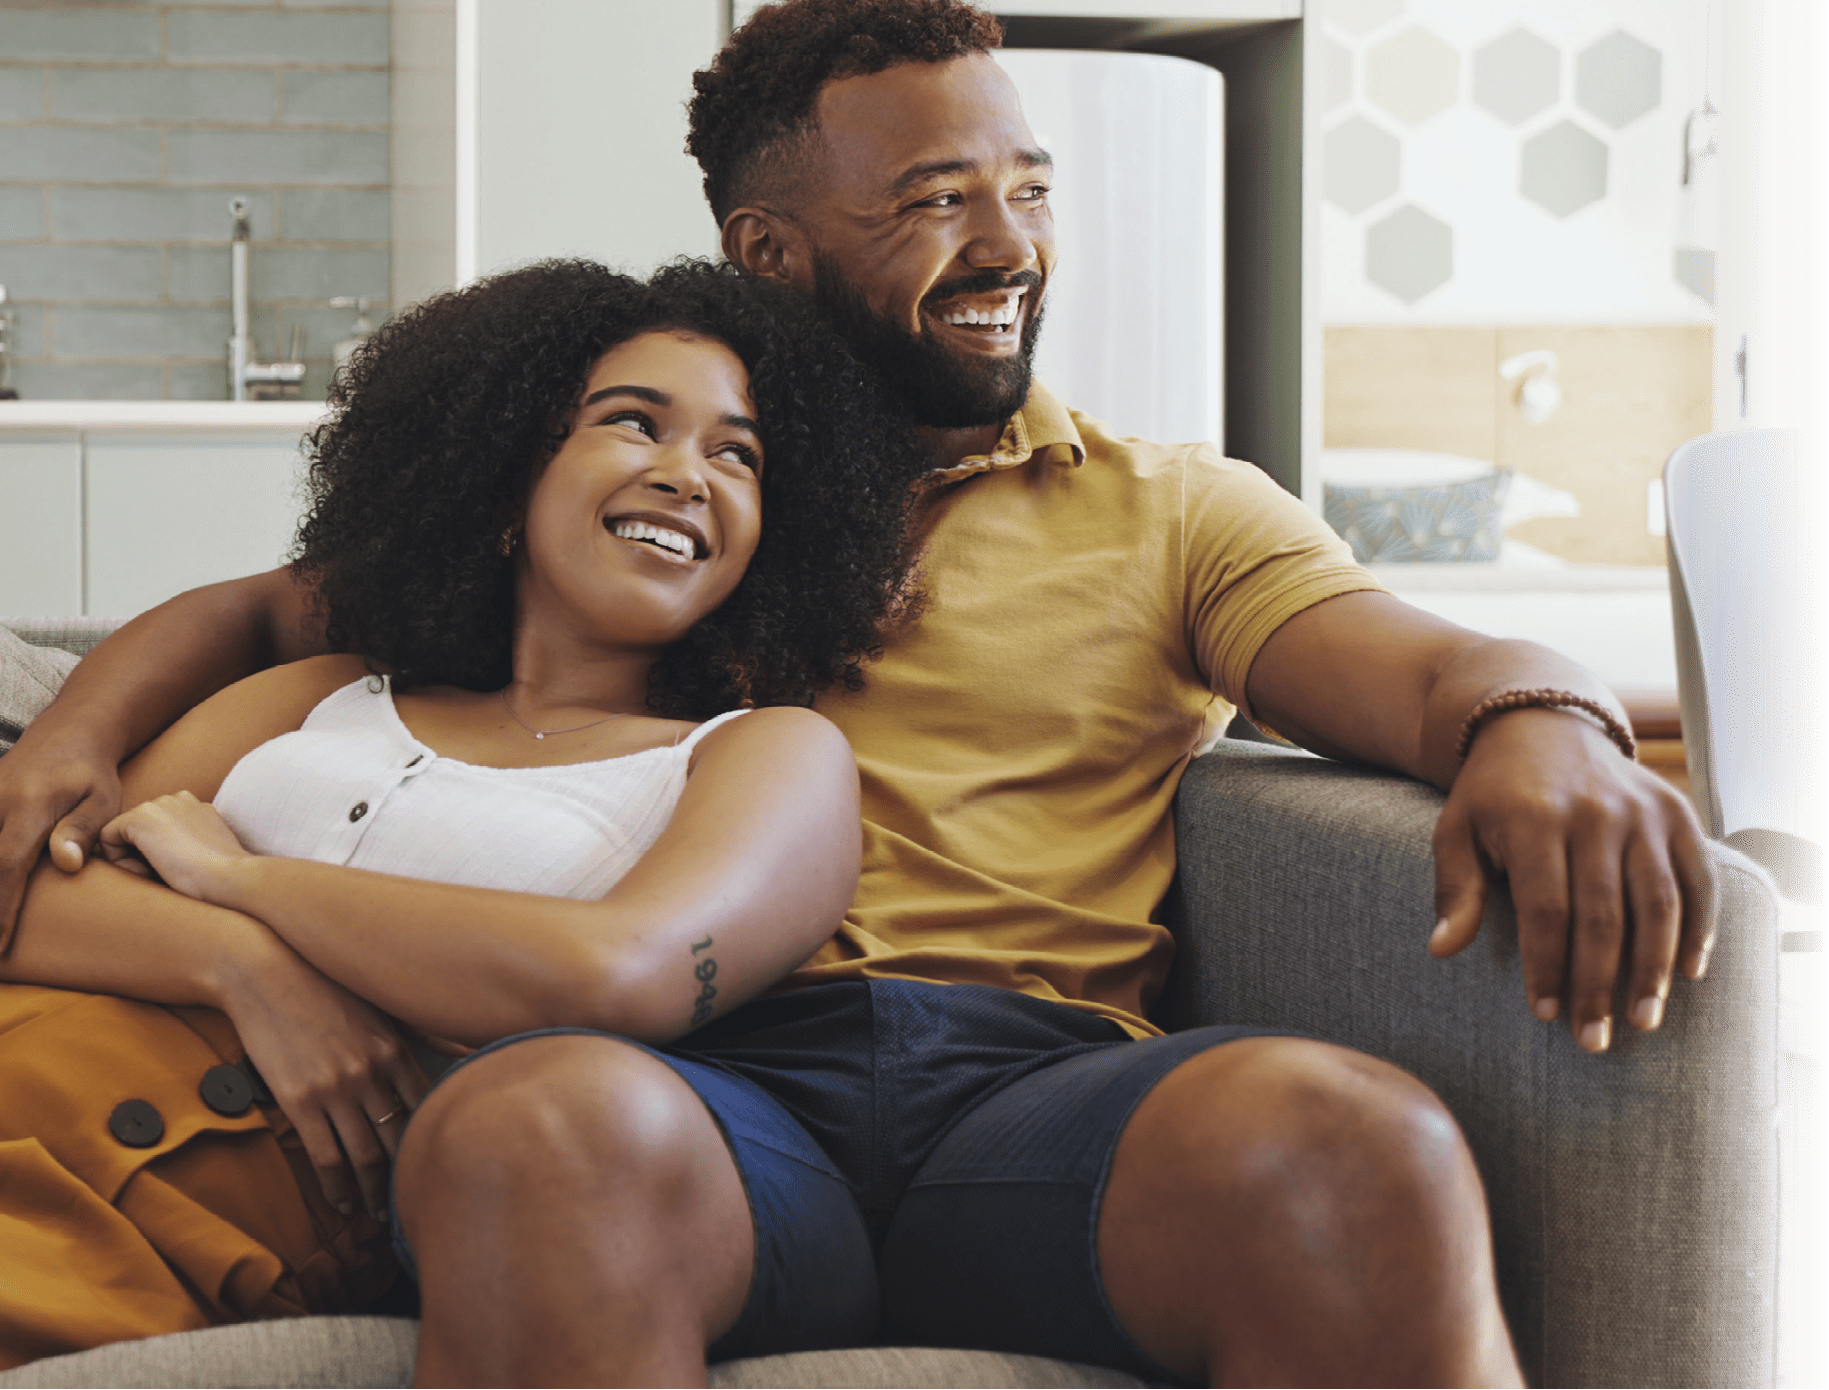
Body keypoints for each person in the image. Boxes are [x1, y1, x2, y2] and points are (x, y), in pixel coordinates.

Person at [0, 2, 1720, 1386]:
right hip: (692, 1083)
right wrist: (66, 747)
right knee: (541, 1124)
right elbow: (263, 612)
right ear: (769, 249)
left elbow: (1426, 667)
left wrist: (1538, 724)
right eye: (930, 202)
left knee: (1355, 1143)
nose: (1007, 246)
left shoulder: (1165, 509)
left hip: (1035, 1089)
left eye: (1028, 187)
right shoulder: (646, 510)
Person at [0, 256, 931, 1369]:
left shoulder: (762, 757)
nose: (690, 474)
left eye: (737, 454)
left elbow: (609, 976)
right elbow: (27, 881)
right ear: (508, 474)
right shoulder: (328, 692)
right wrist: (245, 967)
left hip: (174, 1182)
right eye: (634, 423)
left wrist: (239, 876)